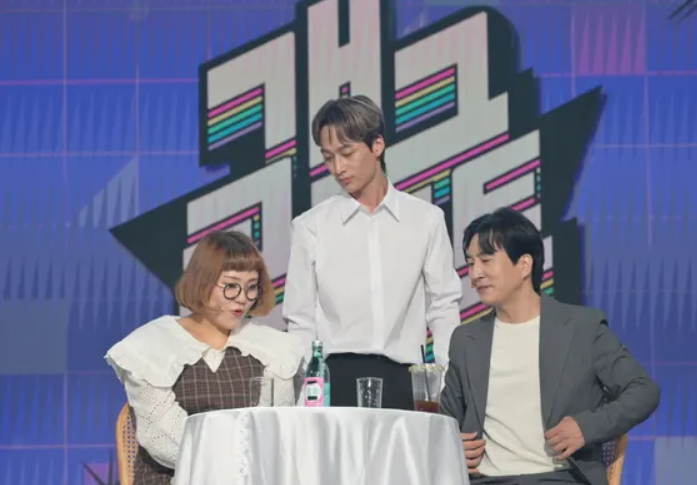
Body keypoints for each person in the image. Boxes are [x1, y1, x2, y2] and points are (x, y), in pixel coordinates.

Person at [440, 207, 660, 485]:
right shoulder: (466, 339)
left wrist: (585, 427)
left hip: (560, 478)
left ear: (524, 265)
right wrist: (452, 445)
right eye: (471, 263)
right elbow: (446, 422)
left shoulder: (581, 327)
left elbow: (643, 391)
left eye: (486, 260)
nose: (475, 274)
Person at [283, 95, 462, 409]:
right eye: (328, 158)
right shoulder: (311, 226)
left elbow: (443, 308)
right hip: (335, 378)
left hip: (407, 379)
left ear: (377, 145)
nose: (338, 168)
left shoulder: (426, 220)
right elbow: (300, 321)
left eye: (347, 153)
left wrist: (449, 386)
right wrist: (305, 399)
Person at [105, 231, 304, 485]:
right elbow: (167, 442)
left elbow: (275, 433)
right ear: (203, 282)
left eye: (251, 287)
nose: (242, 298)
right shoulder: (152, 346)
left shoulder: (274, 349)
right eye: (231, 286)